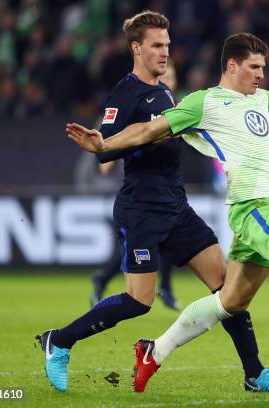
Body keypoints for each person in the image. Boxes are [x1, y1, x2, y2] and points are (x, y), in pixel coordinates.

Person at [66, 29, 269, 392]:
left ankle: (154, 351)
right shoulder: (204, 103)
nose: (261, 75)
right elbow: (150, 130)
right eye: (254, 67)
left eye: (263, 68)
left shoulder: (261, 100)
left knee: (229, 301)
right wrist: (105, 143)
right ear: (232, 65)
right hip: (252, 206)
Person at [40, 11, 269, 394]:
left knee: (227, 288)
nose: (165, 52)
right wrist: (130, 141)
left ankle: (254, 374)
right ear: (137, 48)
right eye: (157, 46)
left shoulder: (164, 92)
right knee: (138, 301)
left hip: (176, 206)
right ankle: (59, 341)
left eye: (167, 45)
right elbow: (105, 150)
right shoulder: (124, 93)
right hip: (141, 206)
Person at [89, 62, 181, 310]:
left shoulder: (174, 106)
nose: (168, 79)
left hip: (167, 189)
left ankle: (167, 288)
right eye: (166, 74)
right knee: (142, 249)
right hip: (135, 191)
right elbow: (104, 159)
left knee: (169, 239)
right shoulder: (134, 101)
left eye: (172, 76)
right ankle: (104, 278)